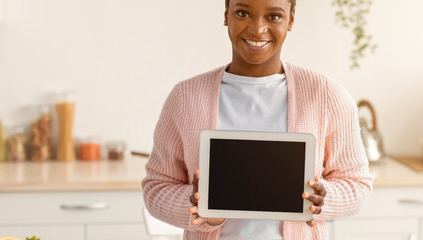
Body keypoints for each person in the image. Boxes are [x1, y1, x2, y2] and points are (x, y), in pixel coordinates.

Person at [142, 0, 373, 239]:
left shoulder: (325, 95)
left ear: (290, 20)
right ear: (226, 15)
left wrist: (323, 198)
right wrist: (199, 207)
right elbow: (156, 188)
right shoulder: (185, 97)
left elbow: (358, 185)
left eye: (274, 16)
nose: (257, 29)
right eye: (243, 13)